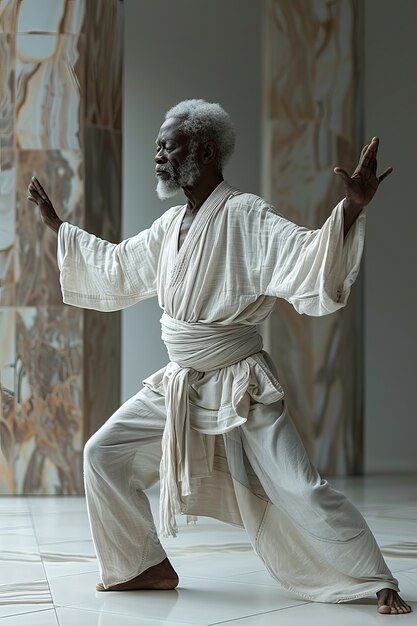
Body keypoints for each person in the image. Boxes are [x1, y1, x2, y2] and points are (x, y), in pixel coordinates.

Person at [28, 99, 411, 615]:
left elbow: (304, 256)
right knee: (102, 454)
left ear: (206, 151)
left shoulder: (246, 215)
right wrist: (59, 227)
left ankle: (375, 577)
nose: (159, 153)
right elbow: (117, 266)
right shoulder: (170, 227)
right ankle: (142, 565)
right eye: (159, 144)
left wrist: (351, 209)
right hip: (182, 378)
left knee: (300, 487)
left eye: (171, 144)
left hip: (239, 381)